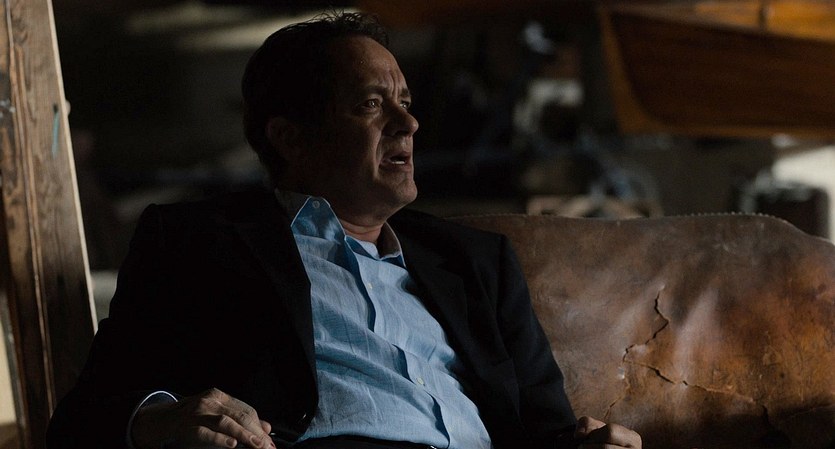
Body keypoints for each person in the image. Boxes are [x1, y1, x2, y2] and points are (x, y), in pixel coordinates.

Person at [46, 11, 641, 449]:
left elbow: (549, 431)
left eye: (405, 101)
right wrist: (159, 422)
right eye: (372, 104)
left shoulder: (479, 264)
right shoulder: (199, 241)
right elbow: (88, 417)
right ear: (290, 138)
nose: (408, 123)